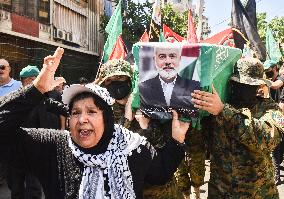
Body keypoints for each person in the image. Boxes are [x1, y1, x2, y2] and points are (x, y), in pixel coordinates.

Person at [0, 47, 190, 199]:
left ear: (106, 118)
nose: (82, 119)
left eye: (91, 111)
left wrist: (177, 140)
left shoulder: (134, 148)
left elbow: (160, 172)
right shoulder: (54, 147)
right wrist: (37, 88)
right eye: (75, 112)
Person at [97, 59, 205, 199]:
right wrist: (127, 119)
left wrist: (146, 127)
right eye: (109, 81)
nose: (114, 84)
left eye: (119, 78)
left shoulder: (152, 102)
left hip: (165, 190)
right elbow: (109, 151)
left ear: (130, 80)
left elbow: (167, 147)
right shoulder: (103, 112)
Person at [191, 57, 284, 198]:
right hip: (220, 191)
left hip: (257, 193)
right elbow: (199, 141)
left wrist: (223, 111)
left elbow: (266, 139)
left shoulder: (269, 108)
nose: (244, 89)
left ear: (259, 86)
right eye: (239, 84)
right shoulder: (218, 106)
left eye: (249, 85)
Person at [7, 65, 43, 199]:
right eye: (35, 79)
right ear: (26, 81)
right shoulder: (14, 99)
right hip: (16, 149)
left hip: (35, 149)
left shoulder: (43, 98)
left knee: (34, 185)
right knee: (16, 184)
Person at [139, 46, 200, 119]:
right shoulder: (143, 88)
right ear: (154, 60)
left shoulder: (195, 87)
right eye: (162, 57)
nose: (168, 62)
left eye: (172, 56)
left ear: (179, 59)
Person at [0, 59, 21, 186]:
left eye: (2, 67)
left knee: (12, 175)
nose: (0, 70)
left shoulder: (19, 86)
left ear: (9, 69)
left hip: (13, 133)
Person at [264, 59, 284, 185]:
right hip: (276, 117)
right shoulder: (270, 82)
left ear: (275, 68)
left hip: (280, 116)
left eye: (269, 70)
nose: (267, 72)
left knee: (278, 148)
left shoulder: (281, 80)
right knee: (276, 147)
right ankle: (276, 175)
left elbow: (282, 105)